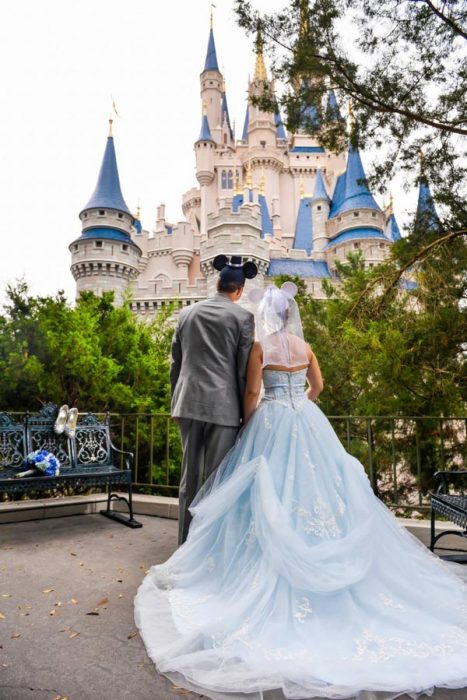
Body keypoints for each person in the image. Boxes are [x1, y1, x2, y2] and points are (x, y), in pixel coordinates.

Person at [135, 282, 467, 700]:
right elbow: (320, 387)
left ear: (267, 316)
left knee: (263, 493)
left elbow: (252, 392)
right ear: (291, 315)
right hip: (307, 420)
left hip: (271, 420)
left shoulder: (261, 348)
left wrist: (251, 422)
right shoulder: (304, 347)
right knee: (322, 493)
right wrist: (302, 402)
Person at [170, 254, 257, 545]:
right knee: (216, 481)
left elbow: (176, 364)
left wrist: (175, 402)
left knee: (189, 479)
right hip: (224, 408)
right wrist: (246, 415)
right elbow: (243, 371)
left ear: (217, 283)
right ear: (239, 290)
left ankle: (184, 545)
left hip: (187, 403)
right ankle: (207, 548)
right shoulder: (243, 318)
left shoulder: (187, 314)